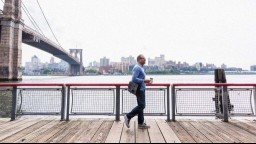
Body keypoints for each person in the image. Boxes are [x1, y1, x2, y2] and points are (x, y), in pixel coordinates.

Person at [124, 54, 151, 129]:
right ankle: (128, 116)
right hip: (139, 89)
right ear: (139, 59)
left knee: (141, 106)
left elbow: (139, 79)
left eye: (145, 59)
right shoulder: (137, 68)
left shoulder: (141, 68)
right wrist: (144, 80)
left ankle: (141, 123)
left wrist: (146, 82)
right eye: (143, 59)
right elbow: (134, 79)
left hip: (141, 88)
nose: (145, 60)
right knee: (142, 106)